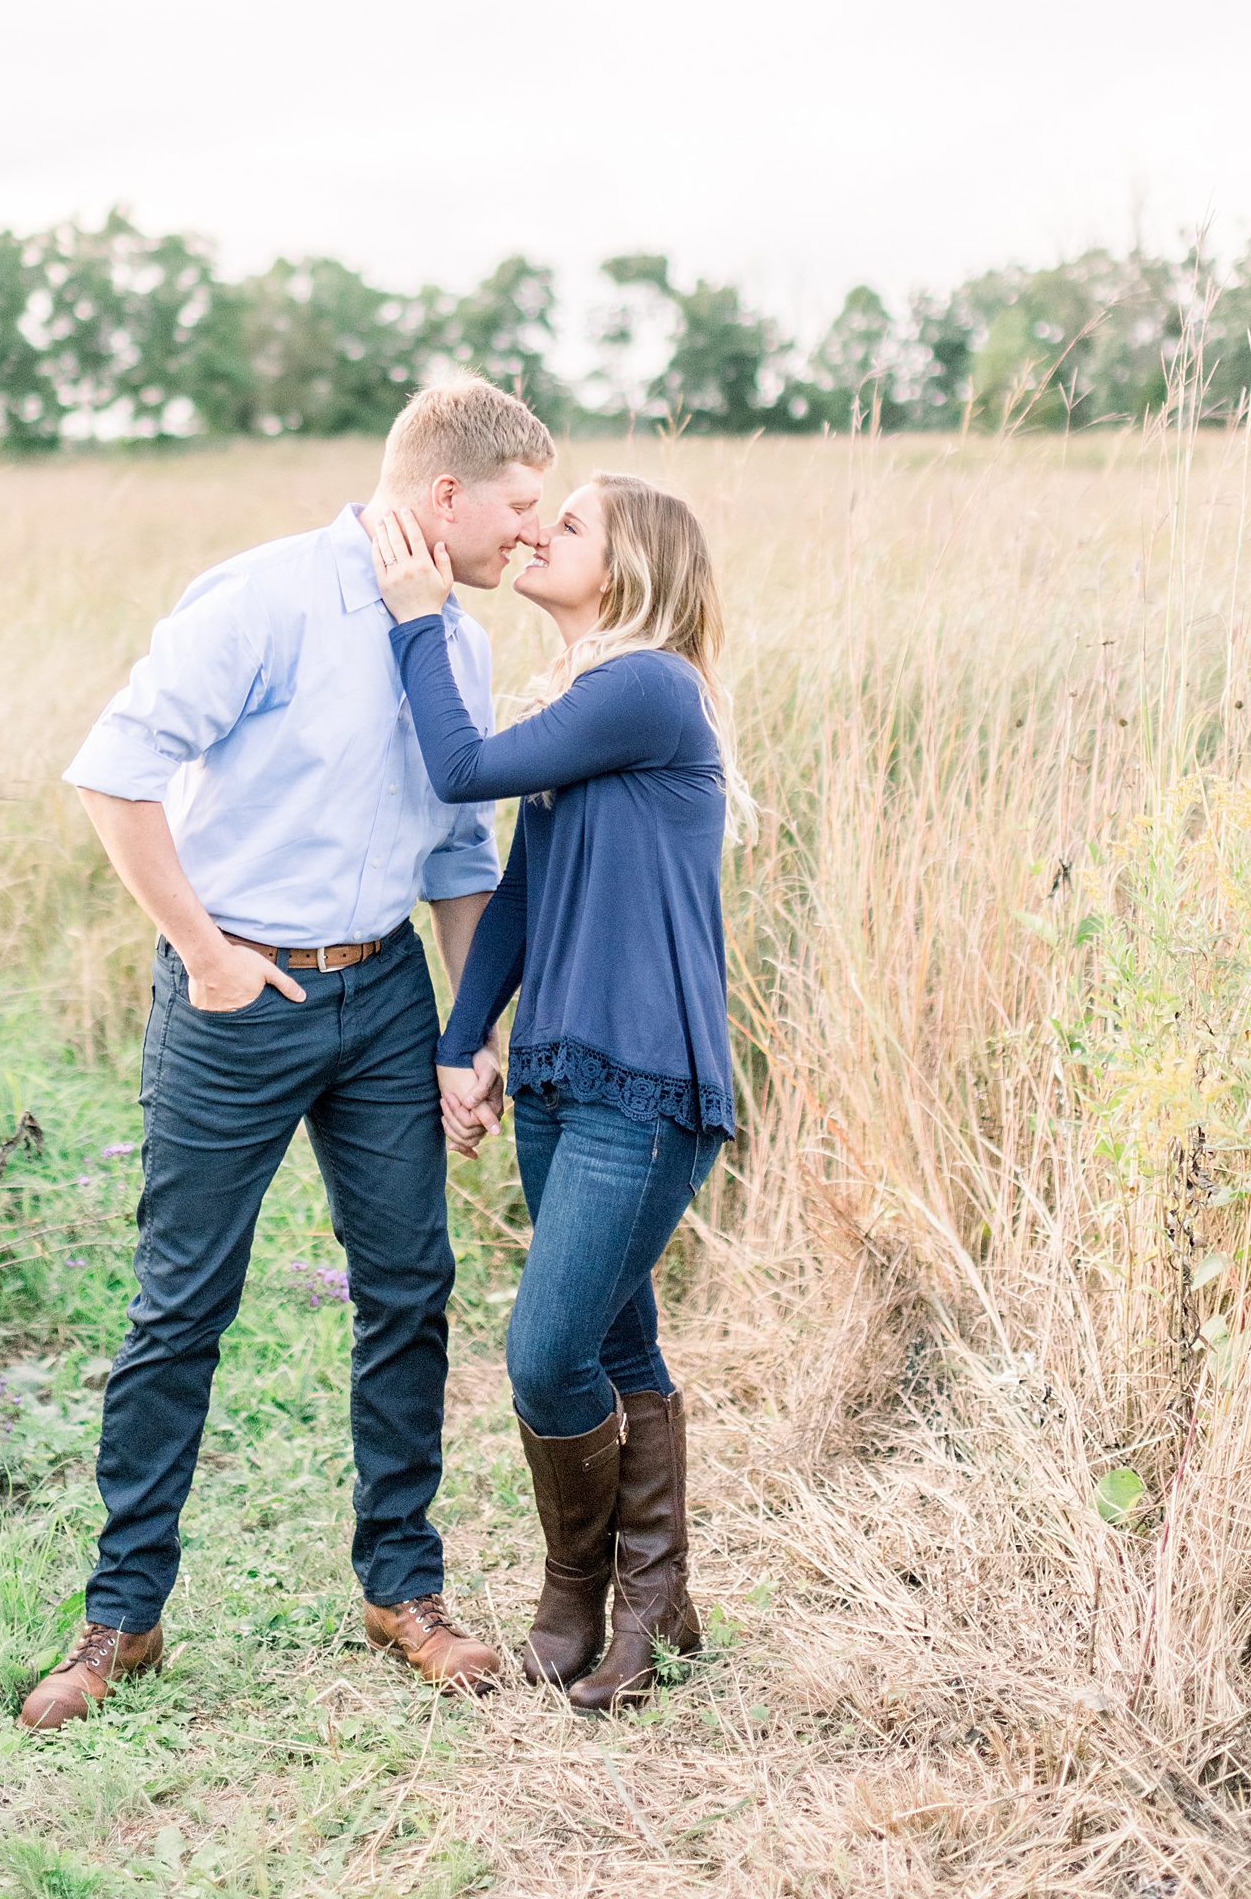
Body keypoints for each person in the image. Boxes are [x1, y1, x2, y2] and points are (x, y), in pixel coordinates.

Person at [19, 377, 556, 1731]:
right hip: (236, 991)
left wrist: (463, 1034)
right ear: (447, 495)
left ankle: (402, 1590)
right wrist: (206, 953)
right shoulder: (260, 597)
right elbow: (112, 771)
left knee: (411, 1287)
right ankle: (120, 1619)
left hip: (379, 993)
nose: (530, 536)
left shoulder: (463, 647)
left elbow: (453, 854)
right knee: (180, 1304)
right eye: (519, 507)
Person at [370, 471, 748, 1710]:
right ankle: (658, 1603)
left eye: (568, 524)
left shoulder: (645, 686)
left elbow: (461, 766)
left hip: (643, 1086)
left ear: (630, 572)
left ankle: (591, 1595)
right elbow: (521, 894)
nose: (537, 533)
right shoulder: (592, 702)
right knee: (613, 1339)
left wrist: (420, 615)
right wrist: (462, 1038)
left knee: (544, 1355)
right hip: (562, 1074)